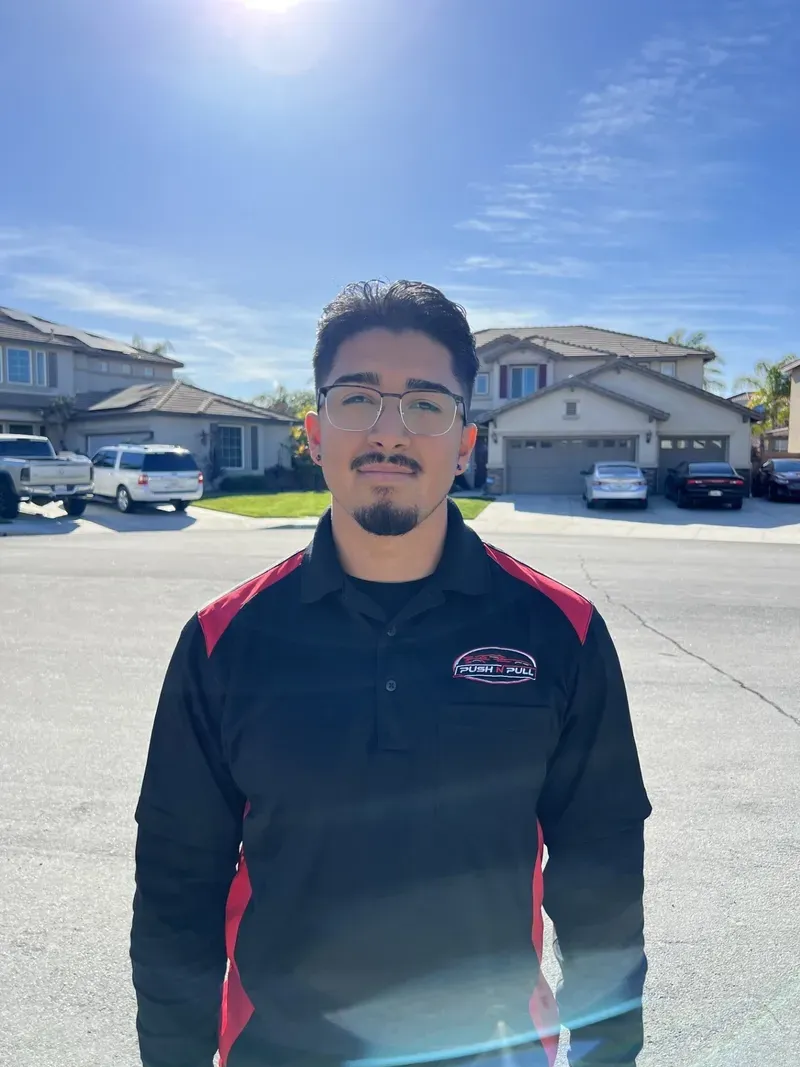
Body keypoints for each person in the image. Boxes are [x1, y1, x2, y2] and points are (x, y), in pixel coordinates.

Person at [131, 280, 652, 1067]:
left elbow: (601, 872)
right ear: (314, 432)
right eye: (358, 398)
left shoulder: (561, 631)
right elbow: (177, 884)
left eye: (425, 405)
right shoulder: (223, 638)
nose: (389, 431)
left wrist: (608, 1054)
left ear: (465, 442)